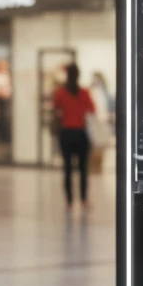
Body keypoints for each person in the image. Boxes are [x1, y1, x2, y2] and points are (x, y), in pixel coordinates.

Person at [53, 64, 96, 210]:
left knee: (67, 169)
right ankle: (84, 200)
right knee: (83, 168)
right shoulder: (84, 93)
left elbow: (56, 109)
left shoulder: (60, 93)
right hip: (81, 134)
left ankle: (69, 202)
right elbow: (92, 109)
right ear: (78, 75)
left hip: (66, 133)